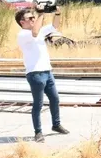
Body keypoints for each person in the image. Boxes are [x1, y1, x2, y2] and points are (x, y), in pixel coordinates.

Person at [15, 8, 71, 141]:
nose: (33, 20)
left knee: (55, 99)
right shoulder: (23, 34)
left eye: (34, 18)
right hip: (35, 74)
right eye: (30, 18)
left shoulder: (38, 32)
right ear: (22, 22)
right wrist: (41, 13)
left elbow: (54, 26)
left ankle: (56, 124)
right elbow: (34, 32)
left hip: (47, 71)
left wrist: (57, 12)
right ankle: (38, 132)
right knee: (38, 104)